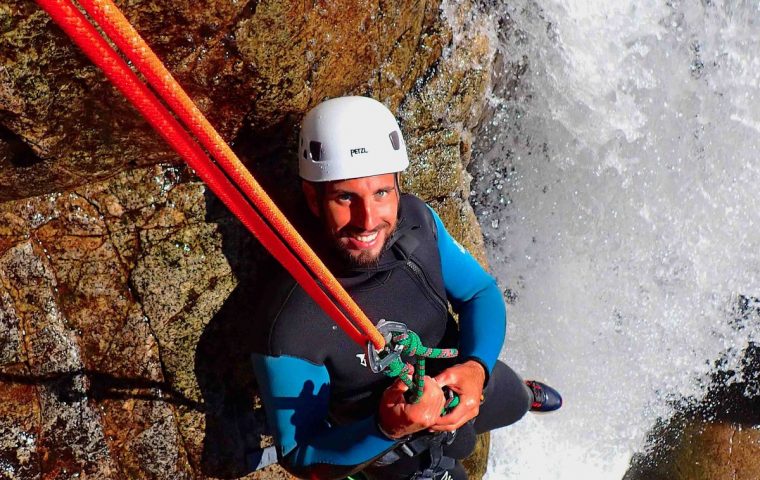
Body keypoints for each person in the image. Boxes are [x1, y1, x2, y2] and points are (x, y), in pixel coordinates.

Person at [251, 96, 561, 480]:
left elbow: (480, 293)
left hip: (457, 380)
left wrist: (476, 367)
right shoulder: (292, 324)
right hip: (395, 446)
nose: (367, 220)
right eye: (345, 197)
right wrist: (386, 428)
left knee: (512, 398)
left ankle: (524, 394)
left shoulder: (417, 225)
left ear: (398, 187)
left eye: (381, 193)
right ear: (313, 198)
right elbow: (299, 454)